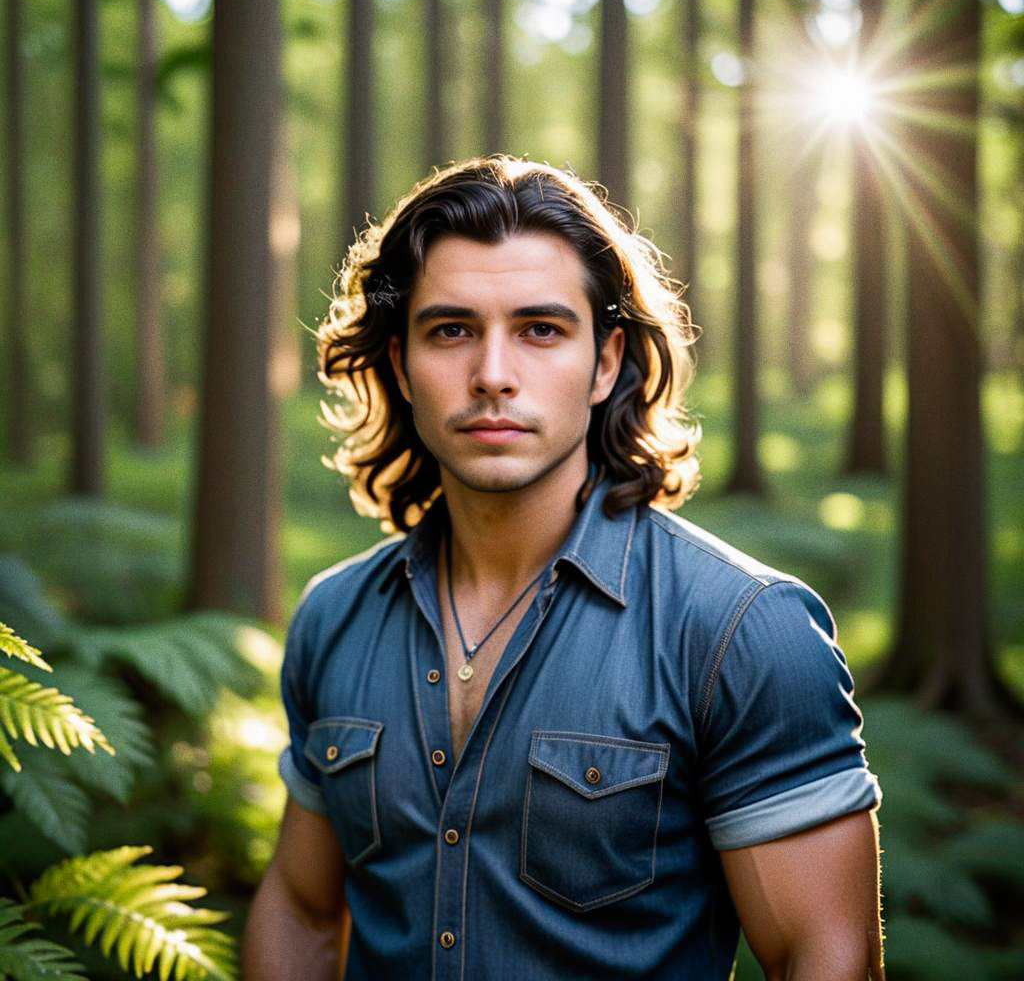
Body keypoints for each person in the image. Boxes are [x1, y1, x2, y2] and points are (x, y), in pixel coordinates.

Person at [242, 155, 884, 980]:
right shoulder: (335, 616)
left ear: (606, 363)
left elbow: (826, 955)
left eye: (540, 329)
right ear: (400, 367)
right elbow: (299, 907)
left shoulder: (740, 631)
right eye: (452, 330)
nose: (494, 375)